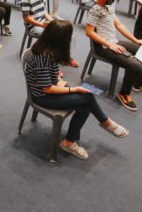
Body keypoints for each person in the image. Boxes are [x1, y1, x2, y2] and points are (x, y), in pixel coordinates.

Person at [25, 20, 129, 160]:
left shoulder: (50, 50)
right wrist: (72, 89)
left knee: (84, 105)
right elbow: (47, 89)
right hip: (42, 96)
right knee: (86, 99)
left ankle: (69, 141)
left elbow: (54, 75)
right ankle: (105, 122)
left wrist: (63, 84)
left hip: (49, 89)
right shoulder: (42, 57)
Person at [86, 0, 142, 111]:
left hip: (113, 41)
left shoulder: (108, 7)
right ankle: (124, 94)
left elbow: (119, 24)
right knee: (136, 65)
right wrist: (109, 44)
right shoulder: (95, 10)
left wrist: (135, 40)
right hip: (103, 47)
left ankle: (138, 83)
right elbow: (89, 32)